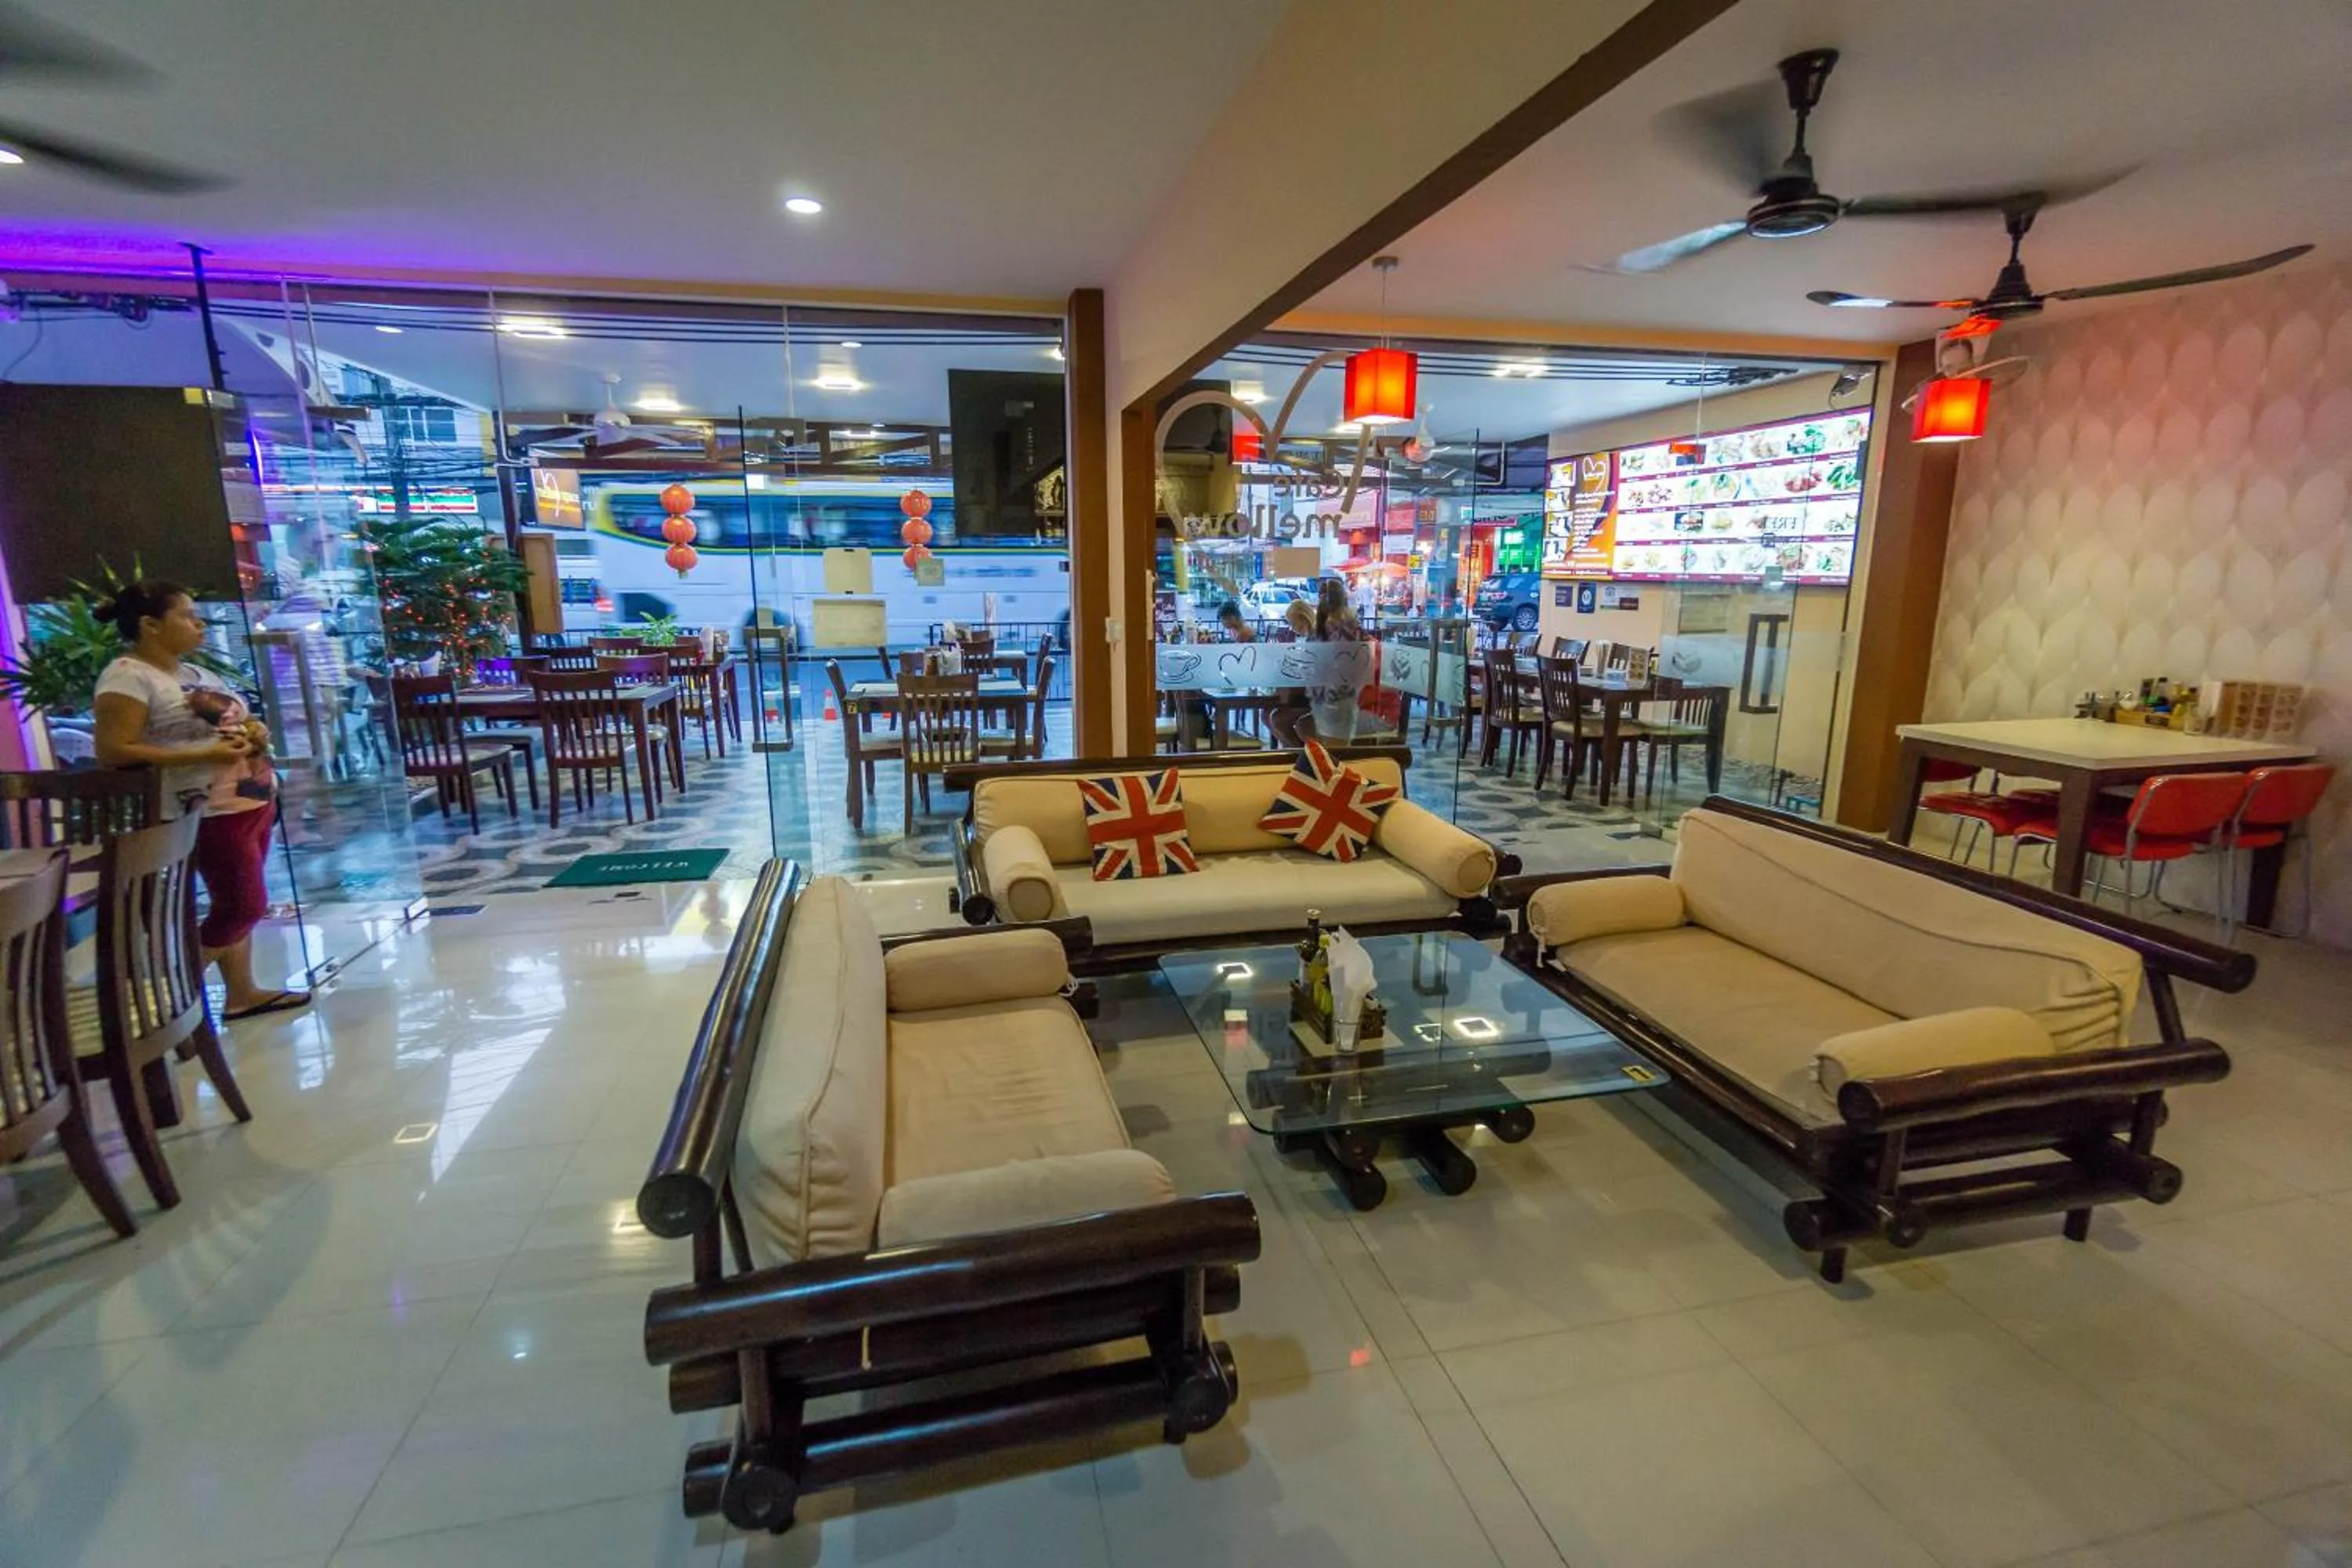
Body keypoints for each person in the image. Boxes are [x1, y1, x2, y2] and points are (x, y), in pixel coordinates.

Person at [90, 581, 310, 1022]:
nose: (200, 623)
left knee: (235, 902)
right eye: (187, 616)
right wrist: (202, 754)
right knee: (243, 904)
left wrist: (255, 732)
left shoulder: (195, 674)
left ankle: (241, 992)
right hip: (201, 809)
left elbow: (236, 721)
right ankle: (168, 990)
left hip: (246, 800)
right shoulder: (128, 676)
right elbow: (113, 749)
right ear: (151, 625)